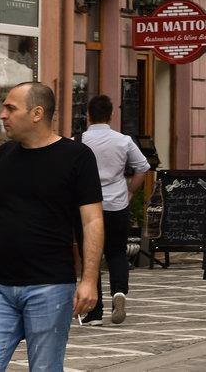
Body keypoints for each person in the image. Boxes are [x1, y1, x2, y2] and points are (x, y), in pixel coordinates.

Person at [0, 82, 103, 371]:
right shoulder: (4, 154)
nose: (2, 115)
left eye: (10, 108)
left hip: (49, 287)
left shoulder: (76, 157)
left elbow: (93, 220)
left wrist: (89, 280)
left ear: (36, 113)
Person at [80, 93, 150, 326]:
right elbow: (142, 167)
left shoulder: (79, 141)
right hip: (117, 204)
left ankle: (94, 312)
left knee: (91, 256)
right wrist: (130, 191)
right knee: (117, 252)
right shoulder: (123, 140)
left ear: (88, 116)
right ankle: (118, 293)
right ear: (111, 115)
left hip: (88, 207)